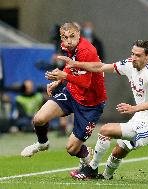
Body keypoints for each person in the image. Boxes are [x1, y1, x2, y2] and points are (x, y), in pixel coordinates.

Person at [52, 40, 148, 180]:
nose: (134, 58)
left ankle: (91, 169)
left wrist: (134, 108)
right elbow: (100, 67)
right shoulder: (129, 64)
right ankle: (106, 177)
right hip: (139, 117)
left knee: (111, 134)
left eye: (138, 55)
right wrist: (76, 64)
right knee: (117, 148)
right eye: (132, 54)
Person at [21, 22, 107, 171]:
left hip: (90, 103)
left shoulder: (87, 51)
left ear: (79, 35)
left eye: (72, 36)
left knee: (71, 149)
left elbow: (86, 83)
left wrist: (64, 76)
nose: (68, 40)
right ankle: (42, 144)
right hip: (72, 93)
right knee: (39, 119)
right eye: (65, 37)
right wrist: (59, 81)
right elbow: (70, 64)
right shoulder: (66, 46)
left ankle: (85, 154)